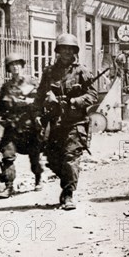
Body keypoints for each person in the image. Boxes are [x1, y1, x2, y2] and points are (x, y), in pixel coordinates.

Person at [35, 33, 98, 210]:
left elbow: (92, 95)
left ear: (75, 51)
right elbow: (40, 95)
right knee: (54, 159)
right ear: (58, 51)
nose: (67, 52)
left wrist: (74, 101)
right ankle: (66, 182)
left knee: (71, 156)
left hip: (75, 122)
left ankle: (68, 193)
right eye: (63, 49)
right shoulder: (49, 72)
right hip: (55, 123)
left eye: (70, 49)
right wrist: (38, 114)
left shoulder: (81, 71)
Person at [0, 53, 43, 198]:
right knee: (7, 156)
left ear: (22, 66)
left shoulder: (33, 83)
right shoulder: (6, 87)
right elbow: (0, 110)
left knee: (35, 156)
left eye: (17, 64)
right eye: (11, 65)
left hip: (30, 127)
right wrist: (0, 119)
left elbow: (42, 103)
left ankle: (38, 179)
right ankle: (9, 187)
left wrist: (30, 103)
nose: (15, 67)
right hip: (12, 127)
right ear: (8, 68)